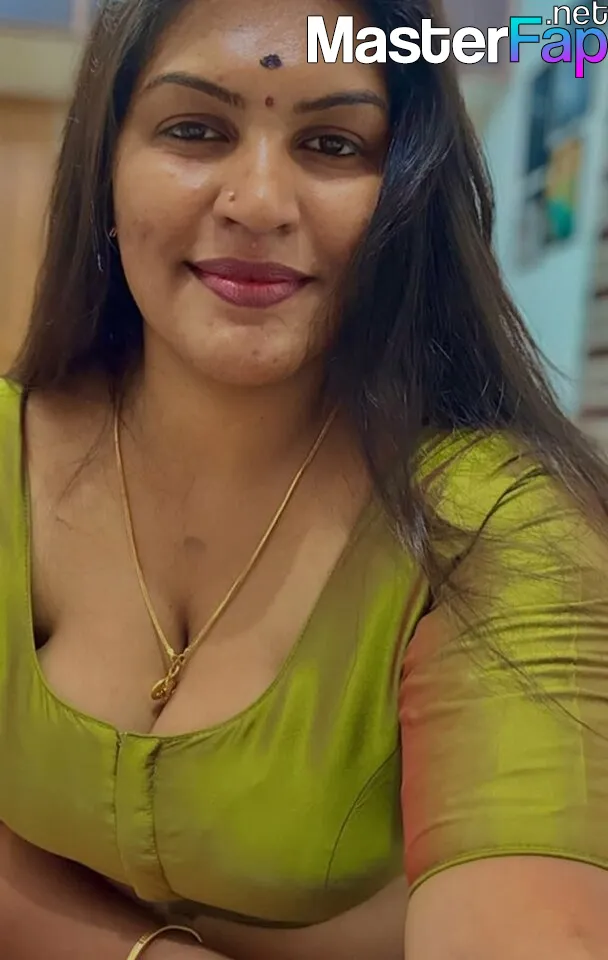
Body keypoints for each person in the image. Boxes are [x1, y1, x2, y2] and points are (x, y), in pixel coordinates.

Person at [2, 0, 608, 957]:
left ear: (408, 194)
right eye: (195, 130)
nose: (258, 202)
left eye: (332, 145)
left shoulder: (505, 529)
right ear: (105, 171)